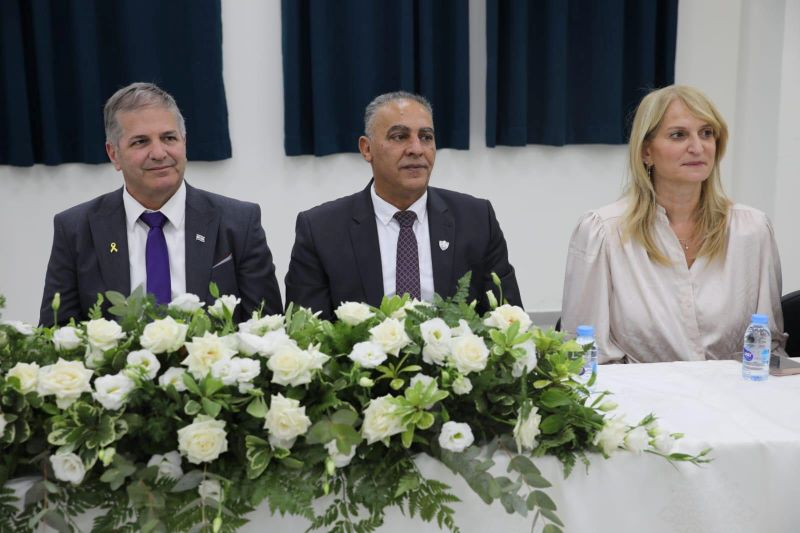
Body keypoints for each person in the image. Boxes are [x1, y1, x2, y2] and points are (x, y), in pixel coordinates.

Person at [562, 85, 786, 363]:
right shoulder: (603, 232)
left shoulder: (752, 230)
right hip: (635, 390)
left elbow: (769, 348)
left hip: (732, 389)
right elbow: (583, 355)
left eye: (706, 133)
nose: (697, 147)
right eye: (678, 135)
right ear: (646, 152)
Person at [39, 82, 282, 326]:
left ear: (184, 142)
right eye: (140, 142)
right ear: (114, 154)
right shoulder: (76, 229)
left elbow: (269, 329)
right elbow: (56, 334)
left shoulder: (239, 223)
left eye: (168, 138)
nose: (158, 153)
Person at [285, 91, 522, 319]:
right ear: (366, 149)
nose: (416, 149)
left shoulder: (476, 220)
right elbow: (306, 333)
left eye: (426, 137)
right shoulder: (321, 230)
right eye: (399, 136)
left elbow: (507, 320)